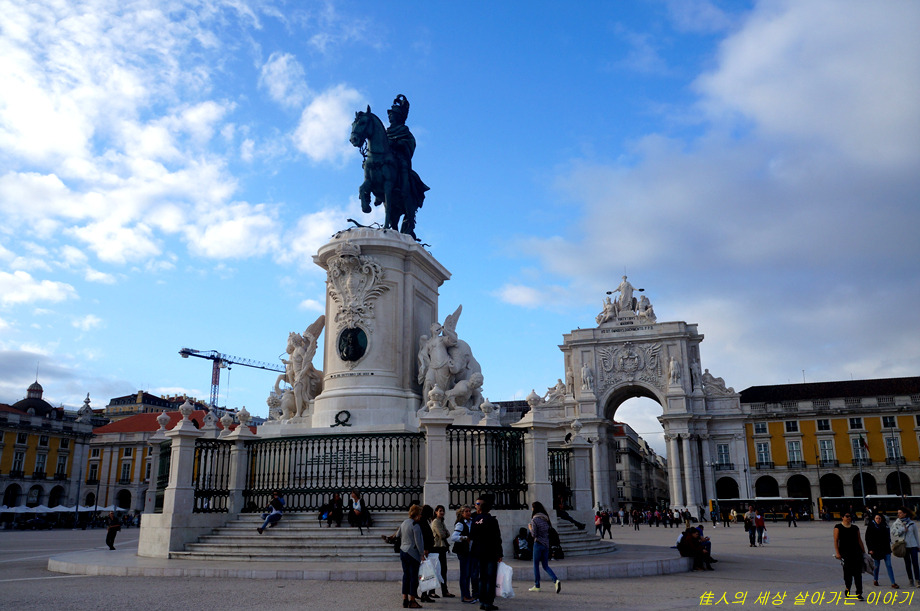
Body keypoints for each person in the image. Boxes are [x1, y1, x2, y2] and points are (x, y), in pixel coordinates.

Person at [470, 496, 502, 611]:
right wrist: (499, 553)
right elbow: (497, 538)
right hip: (490, 553)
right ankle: (489, 602)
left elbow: (472, 536)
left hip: (478, 552)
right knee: (490, 578)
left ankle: (482, 601)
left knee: (482, 578)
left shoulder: (475, 520)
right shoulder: (492, 520)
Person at [395, 504, 426, 609]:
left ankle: (405, 599)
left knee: (406, 576)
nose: (421, 516)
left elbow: (398, 535)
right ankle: (412, 600)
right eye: (420, 514)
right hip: (412, 553)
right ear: (417, 514)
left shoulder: (404, 522)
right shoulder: (415, 525)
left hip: (403, 550)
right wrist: (422, 554)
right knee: (413, 577)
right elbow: (418, 542)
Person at [528, 501, 562, 593]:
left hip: (538, 544)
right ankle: (555, 580)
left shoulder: (534, 520)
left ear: (534, 509)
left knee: (536, 565)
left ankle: (537, 585)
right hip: (546, 544)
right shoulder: (545, 519)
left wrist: (530, 528)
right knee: (545, 565)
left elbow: (534, 534)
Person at [448, 505, 478, 604]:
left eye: (469, 511)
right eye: (466, 511)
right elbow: (454, 537)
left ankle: (468, 595)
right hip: (463, 551)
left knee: (468, 574)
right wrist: (465, 538)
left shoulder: (471, 521)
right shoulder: (460, 524)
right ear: (462, 513)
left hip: (469, 551)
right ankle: (465, 596)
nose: (469, 513)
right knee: (464, 574)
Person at [834, 511, 866, 600]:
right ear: (842, 517)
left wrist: (863, 551)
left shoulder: (855, 527)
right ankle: (847, 587)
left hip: (856, 553)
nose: (849, 518)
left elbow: (859, 540)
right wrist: (837, 553)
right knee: (847, 573)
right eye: (847, 516)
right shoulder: (838, 527)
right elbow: (836, 540)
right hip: (845, 554)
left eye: (850, 516)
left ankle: (859, 593)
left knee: (858, 574)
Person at [866, 513, 900, 589]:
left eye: (879, 518)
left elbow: (888, 537)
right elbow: (868, 539)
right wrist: (870, 549)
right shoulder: (871, 527)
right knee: (877, 566)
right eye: (876, 518)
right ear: (874, 519)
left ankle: (893, 582)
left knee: (889, 565)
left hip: (886, 549)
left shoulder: (885, 526)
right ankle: (875, 579)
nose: (878, 520)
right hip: (876, 550)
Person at [893, 506, 920, 587]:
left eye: (900, 513)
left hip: (913, 545)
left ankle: (918, 580)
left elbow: (916, 535)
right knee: (907, 563)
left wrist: (918, 545)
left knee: (915, 563)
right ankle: (910, 579)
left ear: (905, 514)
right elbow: (894, 533)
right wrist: (902, 529)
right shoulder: (896, 523)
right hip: (904, 546)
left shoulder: (912, 523)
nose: (899, 514)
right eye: (898, 513)